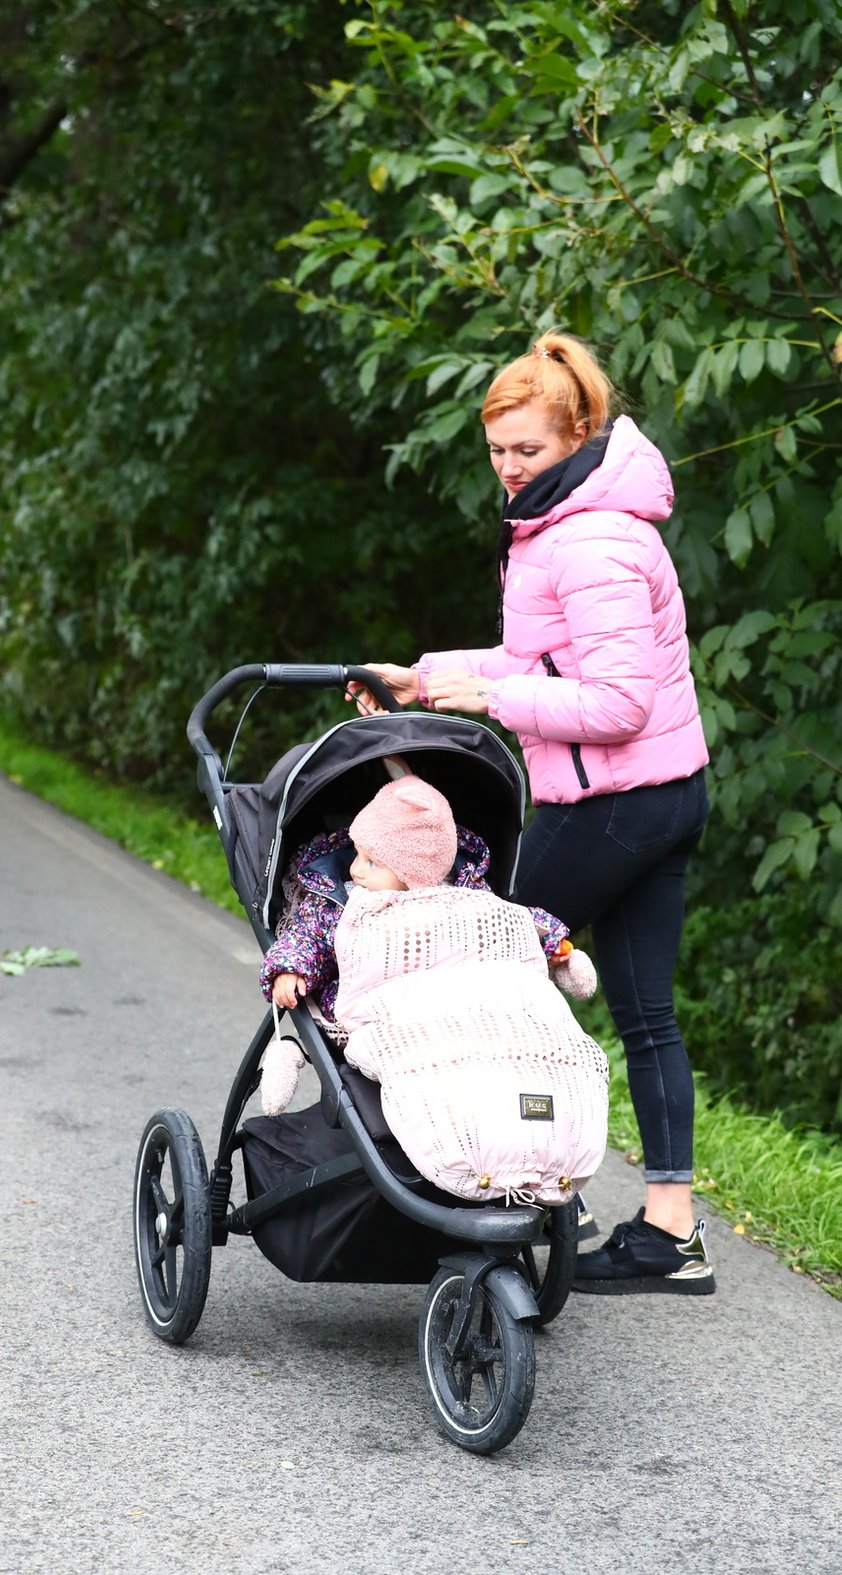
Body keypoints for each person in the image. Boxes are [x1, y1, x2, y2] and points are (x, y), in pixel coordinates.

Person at [348, 331, 715, 1294]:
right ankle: (667, 1234)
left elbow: (615, 704)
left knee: (483, 958)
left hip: (614, 803)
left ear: (581, 432)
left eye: (529, 452)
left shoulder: (591, 539)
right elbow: (536, 664)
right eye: (498, 452)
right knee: (642, 1011)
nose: (509, 470)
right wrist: (427, 678)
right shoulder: (571, 520)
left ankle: (525, 1189)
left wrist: (485, 703)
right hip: (663, 793)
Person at [261, 776, 607, 1204]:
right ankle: (459, 1151)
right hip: (385, 1011)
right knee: (424, 1065)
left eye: (372, 862)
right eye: (358, 854)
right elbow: (308, 935)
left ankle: (517, 1147)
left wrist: (555, 945)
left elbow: (512, 918)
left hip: (466, 1013)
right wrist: (290, 969)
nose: (354, 868)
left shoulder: (462, 898)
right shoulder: (346, 900)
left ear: (412, 872)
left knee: (523, 1038)